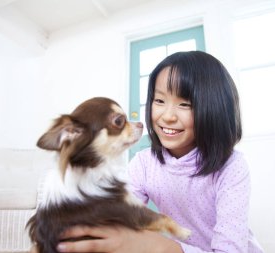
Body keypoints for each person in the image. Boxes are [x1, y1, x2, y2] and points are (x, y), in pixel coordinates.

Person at [57, 51, 264, 253]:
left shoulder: (231, 166)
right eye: (159, 100)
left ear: (215, 109)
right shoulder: (145, 163)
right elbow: (119, 216)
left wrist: (157, 246)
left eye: (185, 104)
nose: (167, 116)